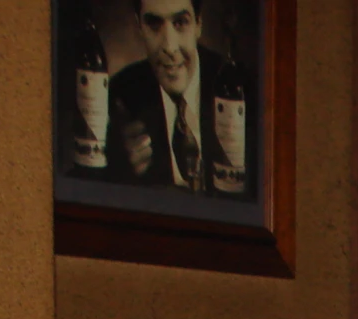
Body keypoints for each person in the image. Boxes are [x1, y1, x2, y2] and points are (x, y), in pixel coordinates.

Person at [106, 0, 253, 196]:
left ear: (198, 24)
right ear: (139, 26)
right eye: (154, 24)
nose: (169, 47)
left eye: (180, 23)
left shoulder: (242, 89)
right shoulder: (121, 93)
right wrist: (121, 170)